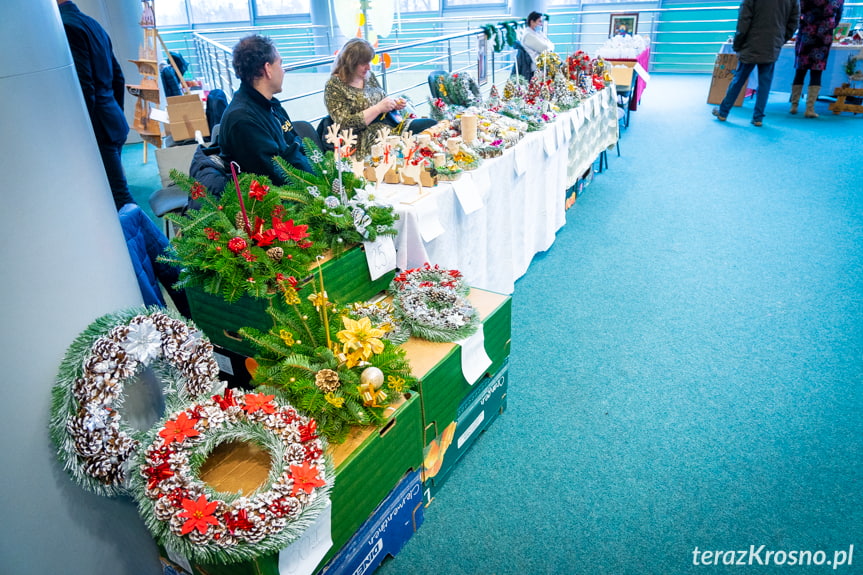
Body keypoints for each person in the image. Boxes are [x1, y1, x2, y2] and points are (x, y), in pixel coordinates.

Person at [57, 0, 135, 210]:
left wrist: (86, 129)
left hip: (100, 126)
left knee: (119, 197)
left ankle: (152, 243)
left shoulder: (66, 26)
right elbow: (118, 77)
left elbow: (85, 86)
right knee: (116, 191)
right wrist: (113, 109)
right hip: (112, 119)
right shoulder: (93, 24)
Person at [219, 35, 312, 185]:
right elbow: (278, 176)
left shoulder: (271, 105)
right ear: (268, 69)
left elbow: (297, 145)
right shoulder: (243, 121)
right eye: (280, 64)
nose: (283, 71)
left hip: (304, 185)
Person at [324, 38, 437, 158]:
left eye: (369, 62)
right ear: (351, 63)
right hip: (365, 138)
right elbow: (345, 124)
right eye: (364, 63)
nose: (368, 67)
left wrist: (393, 104)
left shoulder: (368, 76)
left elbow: (382, 98)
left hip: (390, 125)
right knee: (404, 146)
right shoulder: (334, 85)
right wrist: (377, 109)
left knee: (430, 125)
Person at [712, 0, 799, 126]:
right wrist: (780, 39)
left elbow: (743, 21)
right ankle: (758, 118)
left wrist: (737, 44)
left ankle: (723, 112)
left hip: (750, 44)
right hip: (772, 44)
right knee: (765, 84)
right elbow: (794, 22)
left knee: (739, 79)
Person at [790, 0, 845, 117]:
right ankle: (810, 109)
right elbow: (838, 16)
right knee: (816, 71)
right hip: (824, 34)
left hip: (806, 32)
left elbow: (797, 10)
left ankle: (794, 105)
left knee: (800, 70)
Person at [521, 12, 555, 76]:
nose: (541, 24)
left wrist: (549, 47)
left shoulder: (538, 32)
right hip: (537, 67)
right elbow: (545, 48)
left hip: (544, 63)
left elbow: (552, 45)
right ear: (532, 22)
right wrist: (549, 47)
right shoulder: (528, 35)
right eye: (539, 22)